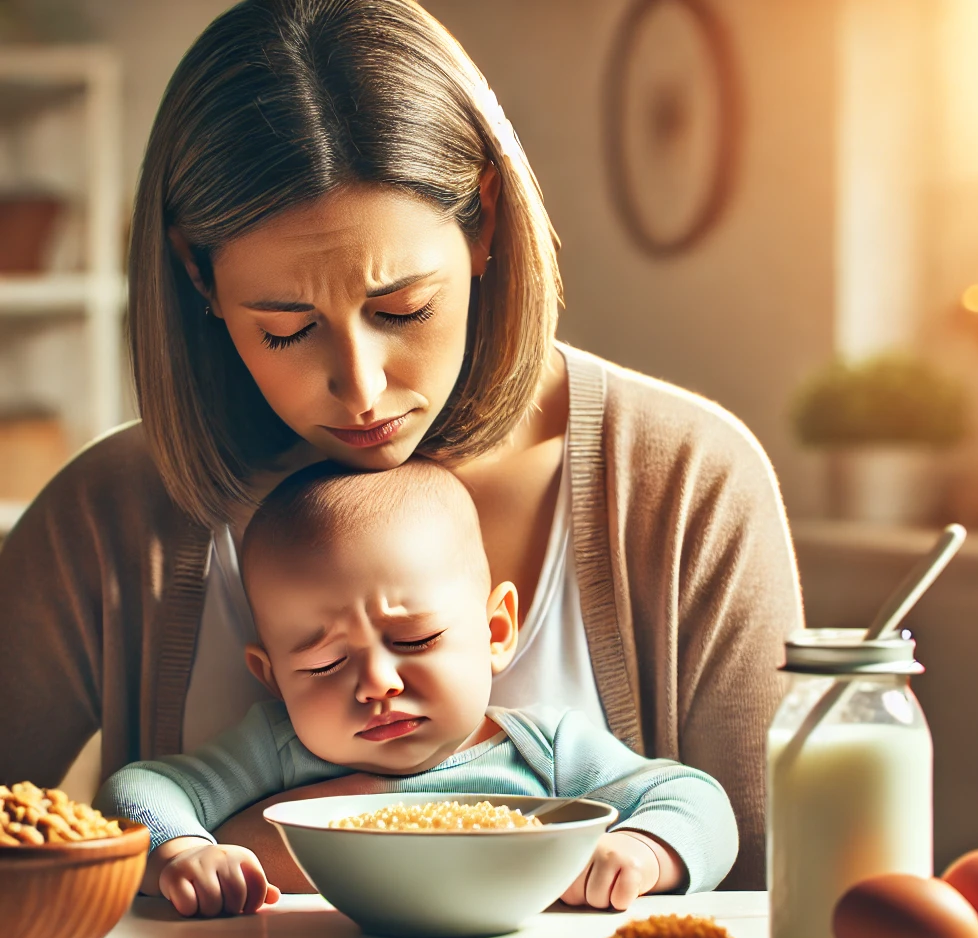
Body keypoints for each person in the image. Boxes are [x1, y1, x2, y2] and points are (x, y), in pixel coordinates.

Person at [0, 0, 801, 891]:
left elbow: (773, 896)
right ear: (199, 275)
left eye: (403, 311)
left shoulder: (687, 484)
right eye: (287, 329)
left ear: (486, 222)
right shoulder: (111, 514)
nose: (362, 387)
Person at [97, 460, 739, 917]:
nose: (377, 683)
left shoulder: (543, 748)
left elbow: (695, 798)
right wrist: (183, 850)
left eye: (414, 641)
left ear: (495, 630)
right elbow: (139, 789)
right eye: (323, 665)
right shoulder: (278, 746)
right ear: (272, 677)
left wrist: (645, 850)